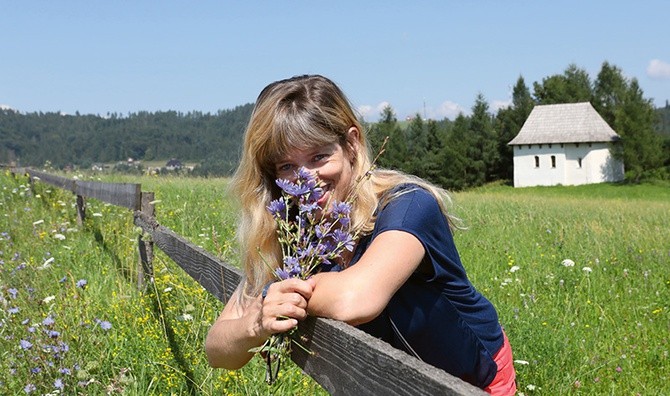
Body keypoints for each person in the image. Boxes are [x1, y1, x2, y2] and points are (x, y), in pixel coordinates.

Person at [205, 74, 516, 394]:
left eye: (318, 156)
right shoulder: (294, 231)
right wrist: (256, 322)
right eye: (286, 167)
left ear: (351, 144)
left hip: (475, 380)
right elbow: (217, 349)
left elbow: (357, 299)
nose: (305, 180)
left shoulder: (408, 205)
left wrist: (276, 294)